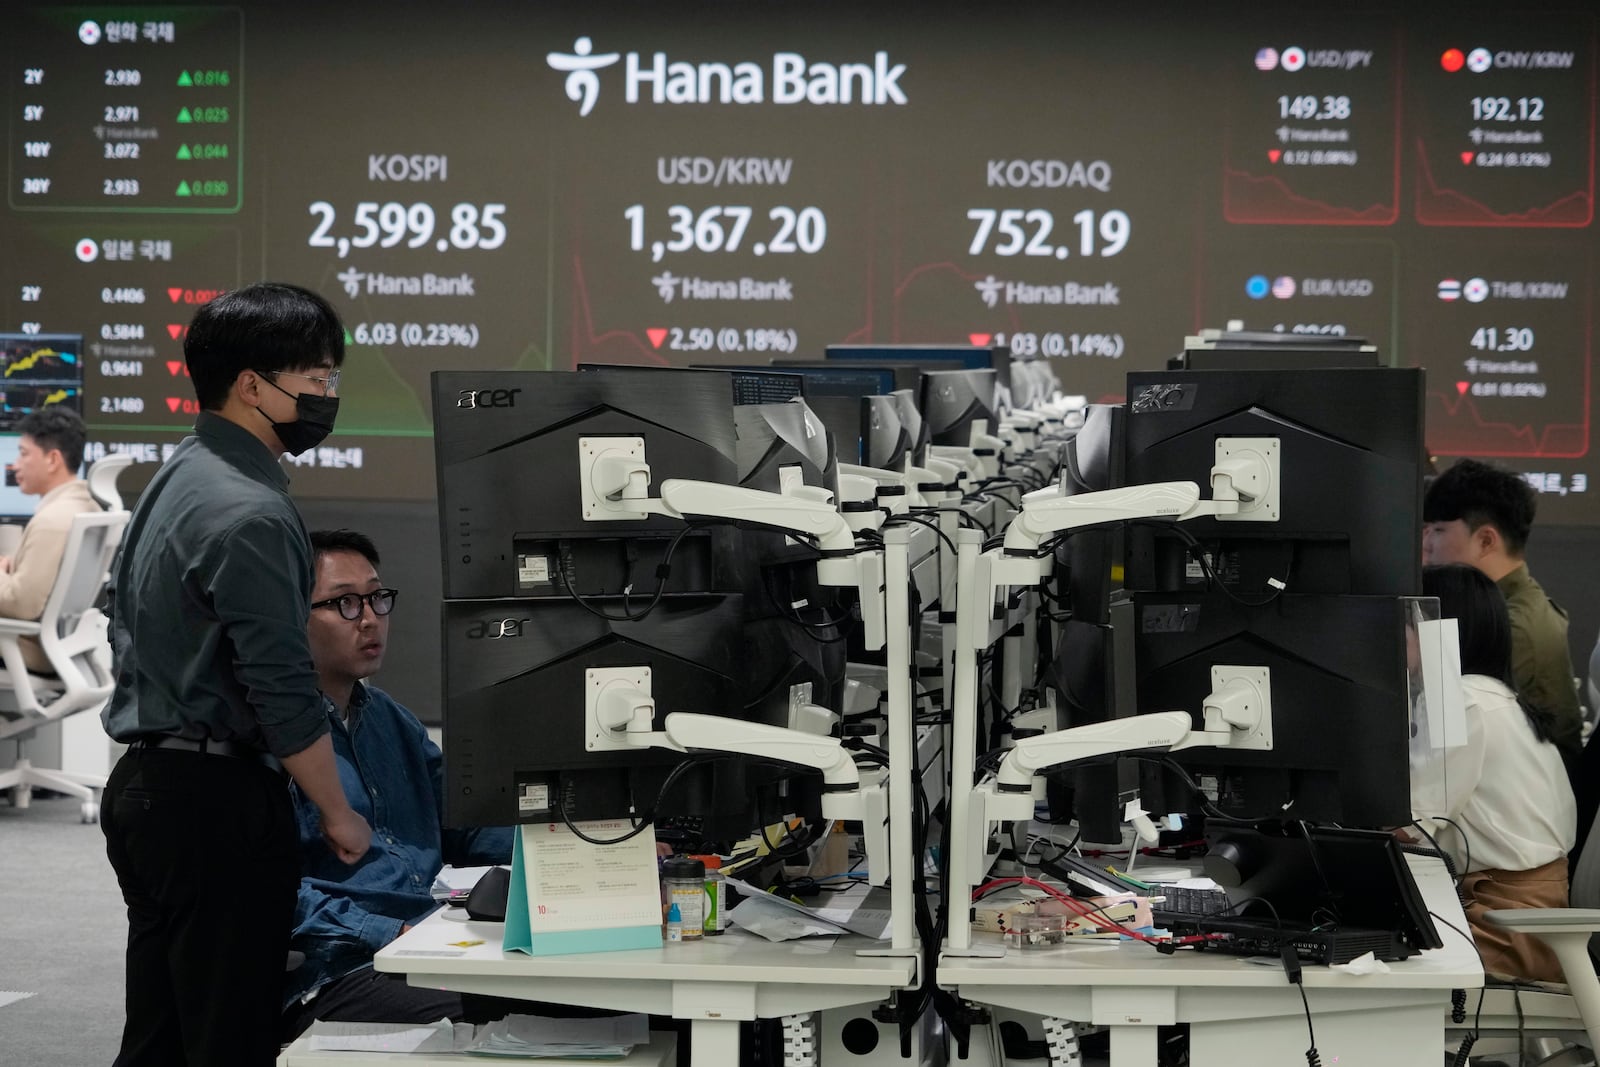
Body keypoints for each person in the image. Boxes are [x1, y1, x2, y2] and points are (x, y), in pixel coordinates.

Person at [100, 283, 372, 1067]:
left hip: (149, 788)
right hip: (214, 804)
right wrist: (336, 810)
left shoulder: (178, 476)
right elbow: (281, 688)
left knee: (160, 1037)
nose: (327, 397)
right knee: (230, 1036)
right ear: (253, 384)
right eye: (316, 380)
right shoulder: (251, 509)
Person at [281, 529, 513, 1041]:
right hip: (338, 971)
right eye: (343, 603)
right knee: (522, 1003)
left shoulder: (391, 719)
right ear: (290, 616)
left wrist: (573, 853)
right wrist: (392, 933)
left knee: (585, 987)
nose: (369, 619)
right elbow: (270, 893)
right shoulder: (273, 739)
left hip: (430, 943)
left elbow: (467, 826)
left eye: (377, 598)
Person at [1410, 563, 1576, 983]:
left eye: (1407, 620)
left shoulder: (1458, 699)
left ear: (1438, 631)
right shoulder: (1491, 694)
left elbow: (1411, 825)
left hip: (1508, 928)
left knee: (1363, 956)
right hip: (1524, 917)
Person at [1422, 457, 1583, 756]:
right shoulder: (1504, 604)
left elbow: (1443, 727)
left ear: (1485, 541)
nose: (1426, 544)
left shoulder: (1512, 626)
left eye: (1438, 531)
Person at [0, 406, 101, 671]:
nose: (15, 465)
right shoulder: (85, 507)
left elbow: (21, 604)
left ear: (53, 459)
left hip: (26, 650)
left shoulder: (51, 522)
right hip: (58, 648)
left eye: (23, 454)